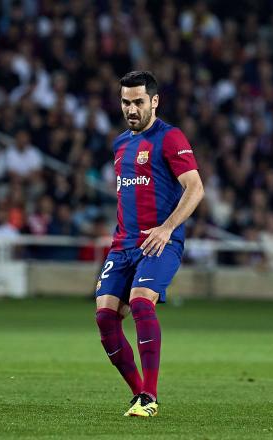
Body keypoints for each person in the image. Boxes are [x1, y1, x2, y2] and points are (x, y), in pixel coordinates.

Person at [94, 71, 204, 417]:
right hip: (122, 245)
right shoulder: (120, 144)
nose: (131, 108)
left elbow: (195, 188)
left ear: (154, 101)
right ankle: (138, 392)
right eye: (126, 102)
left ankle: (150, 397)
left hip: (160, 243)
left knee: (142, 304)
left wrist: (167, 228)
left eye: (139, 101)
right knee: (104, 317)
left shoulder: (170, 138)